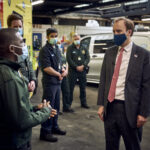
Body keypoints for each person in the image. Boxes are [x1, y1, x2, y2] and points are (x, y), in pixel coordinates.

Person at [97, 18, 150, 150]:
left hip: (130, 109)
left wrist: (144, 113)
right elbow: (104, 80)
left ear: (129, 32)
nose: (116, 34)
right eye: (114, 31)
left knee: (132, 146)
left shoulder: (143, 55)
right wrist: (101, 105)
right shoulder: (109, 53)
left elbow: (147, 86)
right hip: (110, 107)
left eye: (119, 31)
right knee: (110, 145)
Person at [0, 28, 57, 150]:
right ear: (12, 49)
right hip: (15, 143)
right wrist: (45, 111)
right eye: (22, 42)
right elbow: (22, 121)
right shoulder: (9, 77)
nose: (25, 45)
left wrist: (35, 108)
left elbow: (12, 110)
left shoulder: (8, 70)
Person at [39, 28, 67, 142]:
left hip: (57, 82)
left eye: (56, 36)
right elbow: (46, 67)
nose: (54, 38)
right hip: (50, 82)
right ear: (47, 37)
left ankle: (54, 127)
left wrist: (65, 70)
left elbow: (62, 63)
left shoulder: (57, 49)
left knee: (56, 107)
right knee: (48, 107)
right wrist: (58, 75)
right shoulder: (44, 50)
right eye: (52, 36)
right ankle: (45, 131)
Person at [7, 13, 36, 93]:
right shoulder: (6, 46)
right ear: (9, 28)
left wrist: (32, 80)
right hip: (16, 88)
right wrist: (24, 83)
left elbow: (29, 63)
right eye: (15, 27)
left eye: (20, 26)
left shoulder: (23, 44)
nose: (18, 29)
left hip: (27, 86)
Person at [66, 33, 90, 109]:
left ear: (80, 39)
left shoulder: (84, 47)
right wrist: (76, 67)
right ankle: (68, 104)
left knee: (83, 88)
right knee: (70, 88)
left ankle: (84, 103)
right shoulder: (70, 48)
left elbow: (88, 57)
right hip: (73, 71)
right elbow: (68, 59)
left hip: (82, 71)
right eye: (75, 39)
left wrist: (83, 65)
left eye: (78, 39)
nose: (77, 40)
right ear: (73, 39)